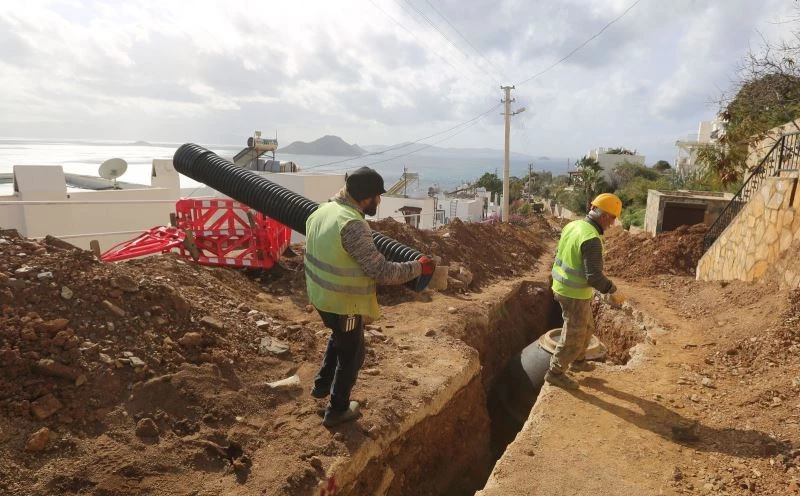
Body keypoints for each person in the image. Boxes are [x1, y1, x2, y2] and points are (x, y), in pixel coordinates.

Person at [305, 166, 436, 427]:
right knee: (352, 355)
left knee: (340, 337)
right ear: (365, 198)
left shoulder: (323, 211)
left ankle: (321, 386)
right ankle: (337, 409)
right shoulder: (352, 225)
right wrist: (418, 267)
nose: (379, 200)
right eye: (377, 196)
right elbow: (381, 271)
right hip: (344, 303)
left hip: (321, 297)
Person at [545, 193, 626, 390]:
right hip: (572, 293)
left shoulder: (573, 226)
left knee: (588, 327)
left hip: (565, 286)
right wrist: (612, 290)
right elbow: (594, 277)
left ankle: (578, 361)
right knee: (573, 335)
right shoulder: (591, 239)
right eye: (613, 219)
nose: (612, 224)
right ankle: (555, 373)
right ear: (605, 216)